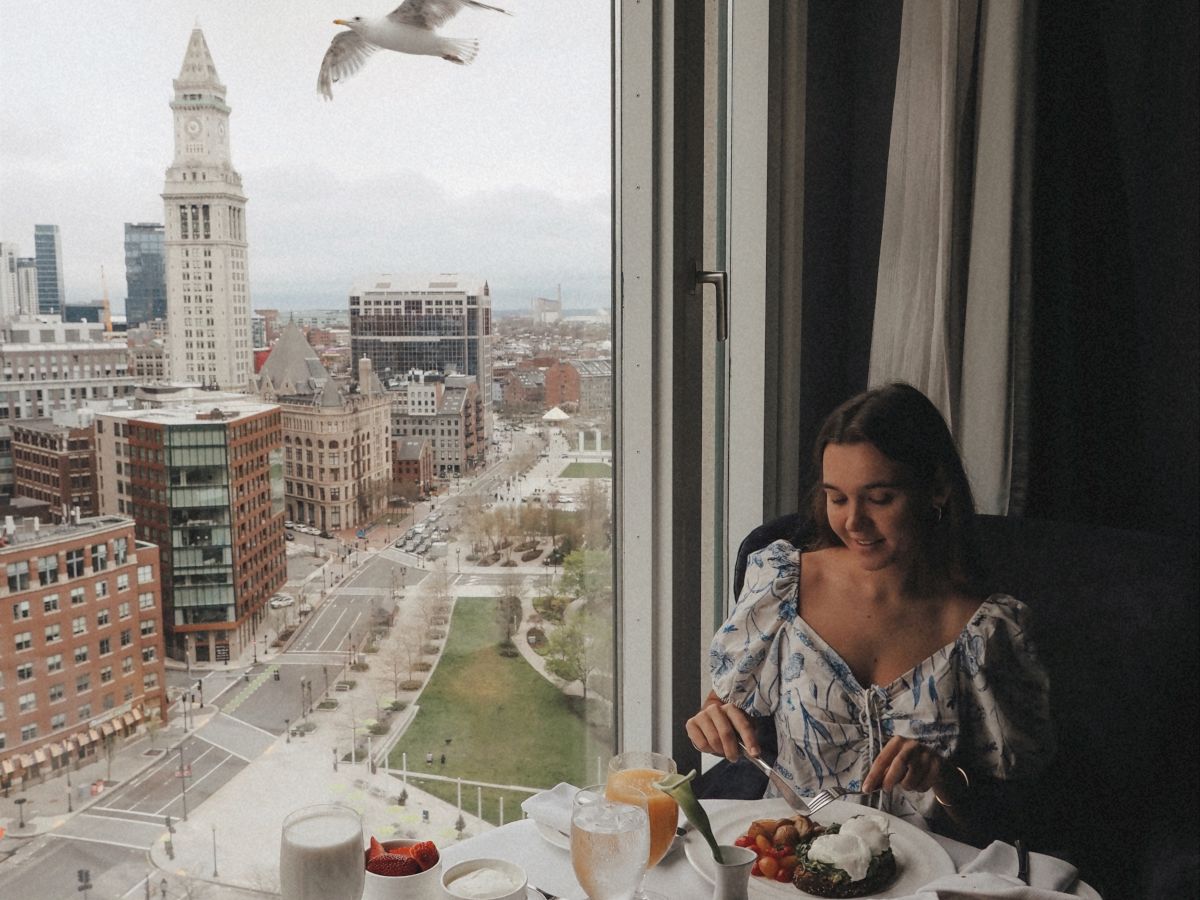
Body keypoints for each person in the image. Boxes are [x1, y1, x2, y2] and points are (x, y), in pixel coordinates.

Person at [685, 382, 1054, 840]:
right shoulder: (782, 587)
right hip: (788, 864)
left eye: (879, 498)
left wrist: (944, 780)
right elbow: (724, 705)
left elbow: (1017, 820)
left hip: (929, 877)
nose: (853, 522)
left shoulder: (989, 633)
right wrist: (712, 720)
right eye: (837, 497)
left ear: (936, 489)